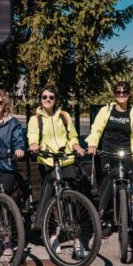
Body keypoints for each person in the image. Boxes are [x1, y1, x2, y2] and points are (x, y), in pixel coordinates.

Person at [27, 84, 86, 255]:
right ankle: (52, 236)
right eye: (44, 97)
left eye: (51, 97)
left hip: (65, 159)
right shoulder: (35, 119)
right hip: (47, 160)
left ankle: (77, 240)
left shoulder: (64, 115)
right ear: (40, 99)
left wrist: (76, 146)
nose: (47, 100)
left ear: (56, 99)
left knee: (70, 200)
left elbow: (72, 135)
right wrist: (33, 144)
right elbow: (32, 135)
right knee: (50, 199)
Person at [86, 82, 133, 236]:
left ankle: (126, 221)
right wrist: (92, 144)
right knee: (106, 188)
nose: (121, 95)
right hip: (107, 152)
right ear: (114, 94)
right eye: (118, 92)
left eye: (124, 92)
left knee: (126, 187)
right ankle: (105, 221)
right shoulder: (106, 110)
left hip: (126, 152)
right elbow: (96, 128)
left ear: (129, 94)